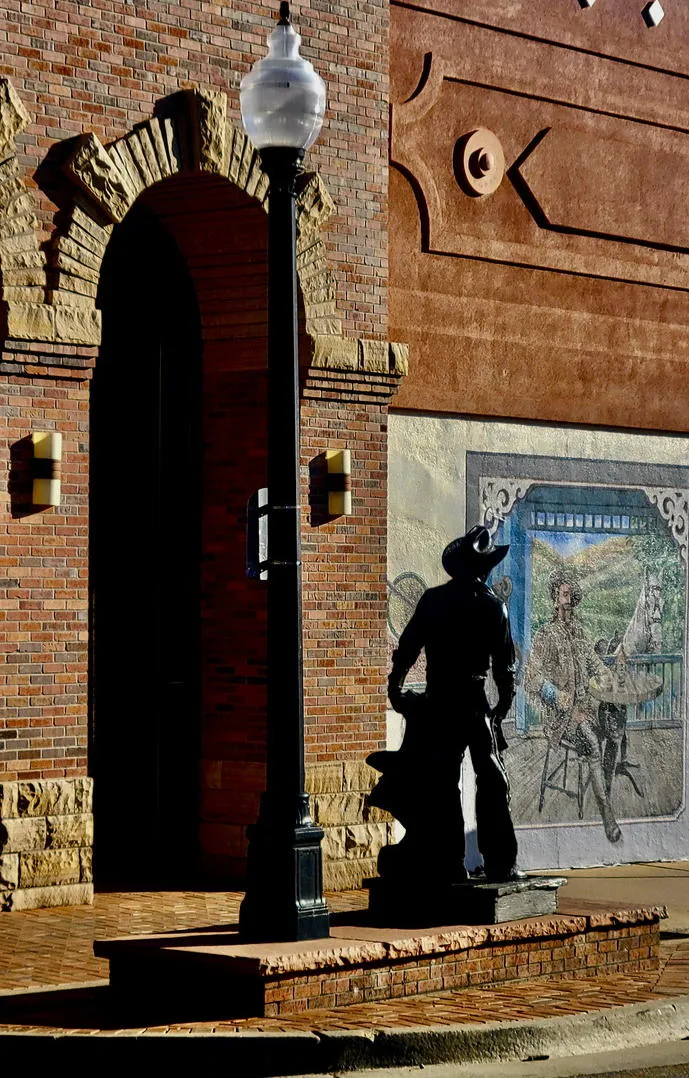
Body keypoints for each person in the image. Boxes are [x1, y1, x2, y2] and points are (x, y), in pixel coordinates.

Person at [370, 525, 519, 884]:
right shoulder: (492, 606)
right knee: (491, 778)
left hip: (440, 701)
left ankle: (450, 861)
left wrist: (395, 685)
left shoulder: (435, 600)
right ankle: (499, 862)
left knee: (444, 782)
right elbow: (505, 666)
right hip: (472, 701)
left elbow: (408, 646)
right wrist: (503, 704)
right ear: (481, 567)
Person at [524, 566, 622, 843]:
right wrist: (556, 696)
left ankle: (605, 792)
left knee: (614, 730)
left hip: (585, 707)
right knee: (592, 743)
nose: (568, 600)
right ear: (555, 598)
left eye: (571, 596)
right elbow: (531, 678)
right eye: (564, 595)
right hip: (561, 716)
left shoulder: (578, 631)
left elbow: (592, 661)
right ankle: (607, 815)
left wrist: (607, 674)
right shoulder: (545, 635)